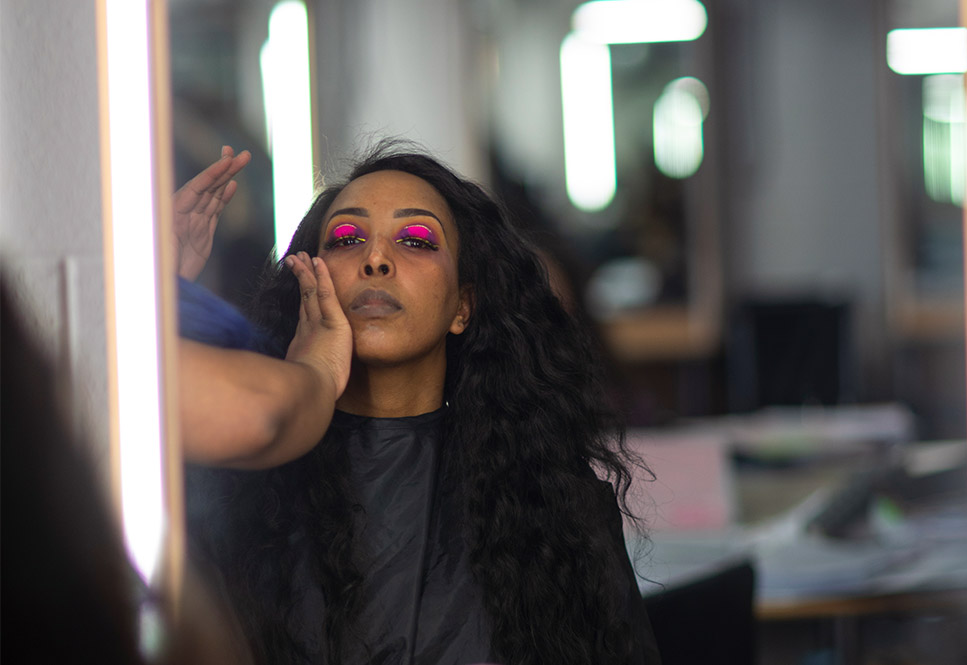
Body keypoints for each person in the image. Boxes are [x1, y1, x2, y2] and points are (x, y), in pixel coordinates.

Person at [176, 141, 660, 665]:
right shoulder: (236, 498)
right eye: (347, 239)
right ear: (308, 280)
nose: (376, 259)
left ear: (462, 306)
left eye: (416, 240)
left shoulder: (554, 505)